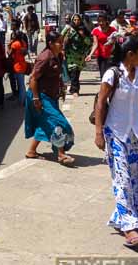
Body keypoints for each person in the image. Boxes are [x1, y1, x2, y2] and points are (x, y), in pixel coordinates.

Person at [94, 36, 138, 248]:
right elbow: (100, 103)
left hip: (137, 133)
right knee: (122, 179)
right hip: (116, 132)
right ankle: (129, 228)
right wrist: (98, 133)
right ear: (130, 55)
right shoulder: (112, 74)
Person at [24, 31, 75, 165]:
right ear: (50, 43)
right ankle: (61, 154)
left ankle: (31, 151)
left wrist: (61, 87)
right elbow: (33, 79)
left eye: (61, 41)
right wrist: (36, 99)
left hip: (51, 96)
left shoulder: (58, 56)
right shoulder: (45, 58)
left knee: (44, 123)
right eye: (59, 42)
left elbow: (56, 75)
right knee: (59, 123)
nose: (61, 44)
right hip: (40, 96)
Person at [61, 13, 92, 98]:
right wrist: (62, 48)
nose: (76, 21)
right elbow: (60, 37)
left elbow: (89, 42)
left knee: (76, 72)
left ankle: (75, 90)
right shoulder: (68, 28)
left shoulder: (84, 29)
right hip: (70, 54)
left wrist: (83, 36)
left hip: (80, 55)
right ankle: (73, 89)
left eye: (78, 20)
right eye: (74, 20)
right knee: (71, 72)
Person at [87, 13, 117, 80]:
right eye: (99, 21)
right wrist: (90, 55)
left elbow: (115, 41)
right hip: (101, 56)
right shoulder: (95, 30)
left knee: (112, 75)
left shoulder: (113, 30)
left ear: (106, 21)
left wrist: (112, 41)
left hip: (111, 55)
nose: (101, 23)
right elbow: (95, 44)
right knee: (103, 75)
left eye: (102, 21)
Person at [9, 31, 29, 106]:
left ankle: (22, 101)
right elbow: (25, 53)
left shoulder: (15, 44)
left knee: (20, 85)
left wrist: (9, 44)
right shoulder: (23, 42)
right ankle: (22, 100)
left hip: (17, 65)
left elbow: (9, 53)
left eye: (14, 35)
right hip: (22, 64)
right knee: (21, 84)